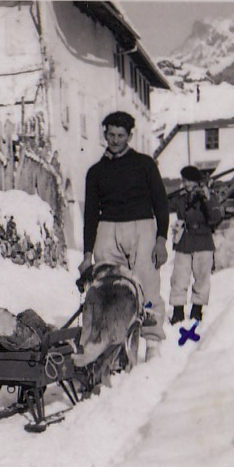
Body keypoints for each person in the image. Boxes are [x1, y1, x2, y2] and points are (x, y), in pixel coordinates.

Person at [79, 111, 170, 357]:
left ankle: (152, 343)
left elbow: (161, 203)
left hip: (142, 228)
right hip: (107, 230)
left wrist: (161, 239)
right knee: (109, 287)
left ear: (129, 136)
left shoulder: (145, 164)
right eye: (111, 135)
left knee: (147, 284)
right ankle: (112, 343)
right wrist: (87, 255)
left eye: (121, 135)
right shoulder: (95, 172)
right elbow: (90, 215)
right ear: (104, 134)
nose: (115, 140)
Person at [169, 165, 225, 324]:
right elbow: (165, 205)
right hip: (184, 241)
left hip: (203, 241)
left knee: (201, 278)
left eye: (188, 181)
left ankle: (196, 310)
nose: (185, 184)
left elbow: (215, 217)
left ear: (196, 181)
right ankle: (178, 312)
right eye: (184, 181)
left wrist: (207, 198)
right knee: (179, 278)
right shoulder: (180, 197)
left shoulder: (208, 195)